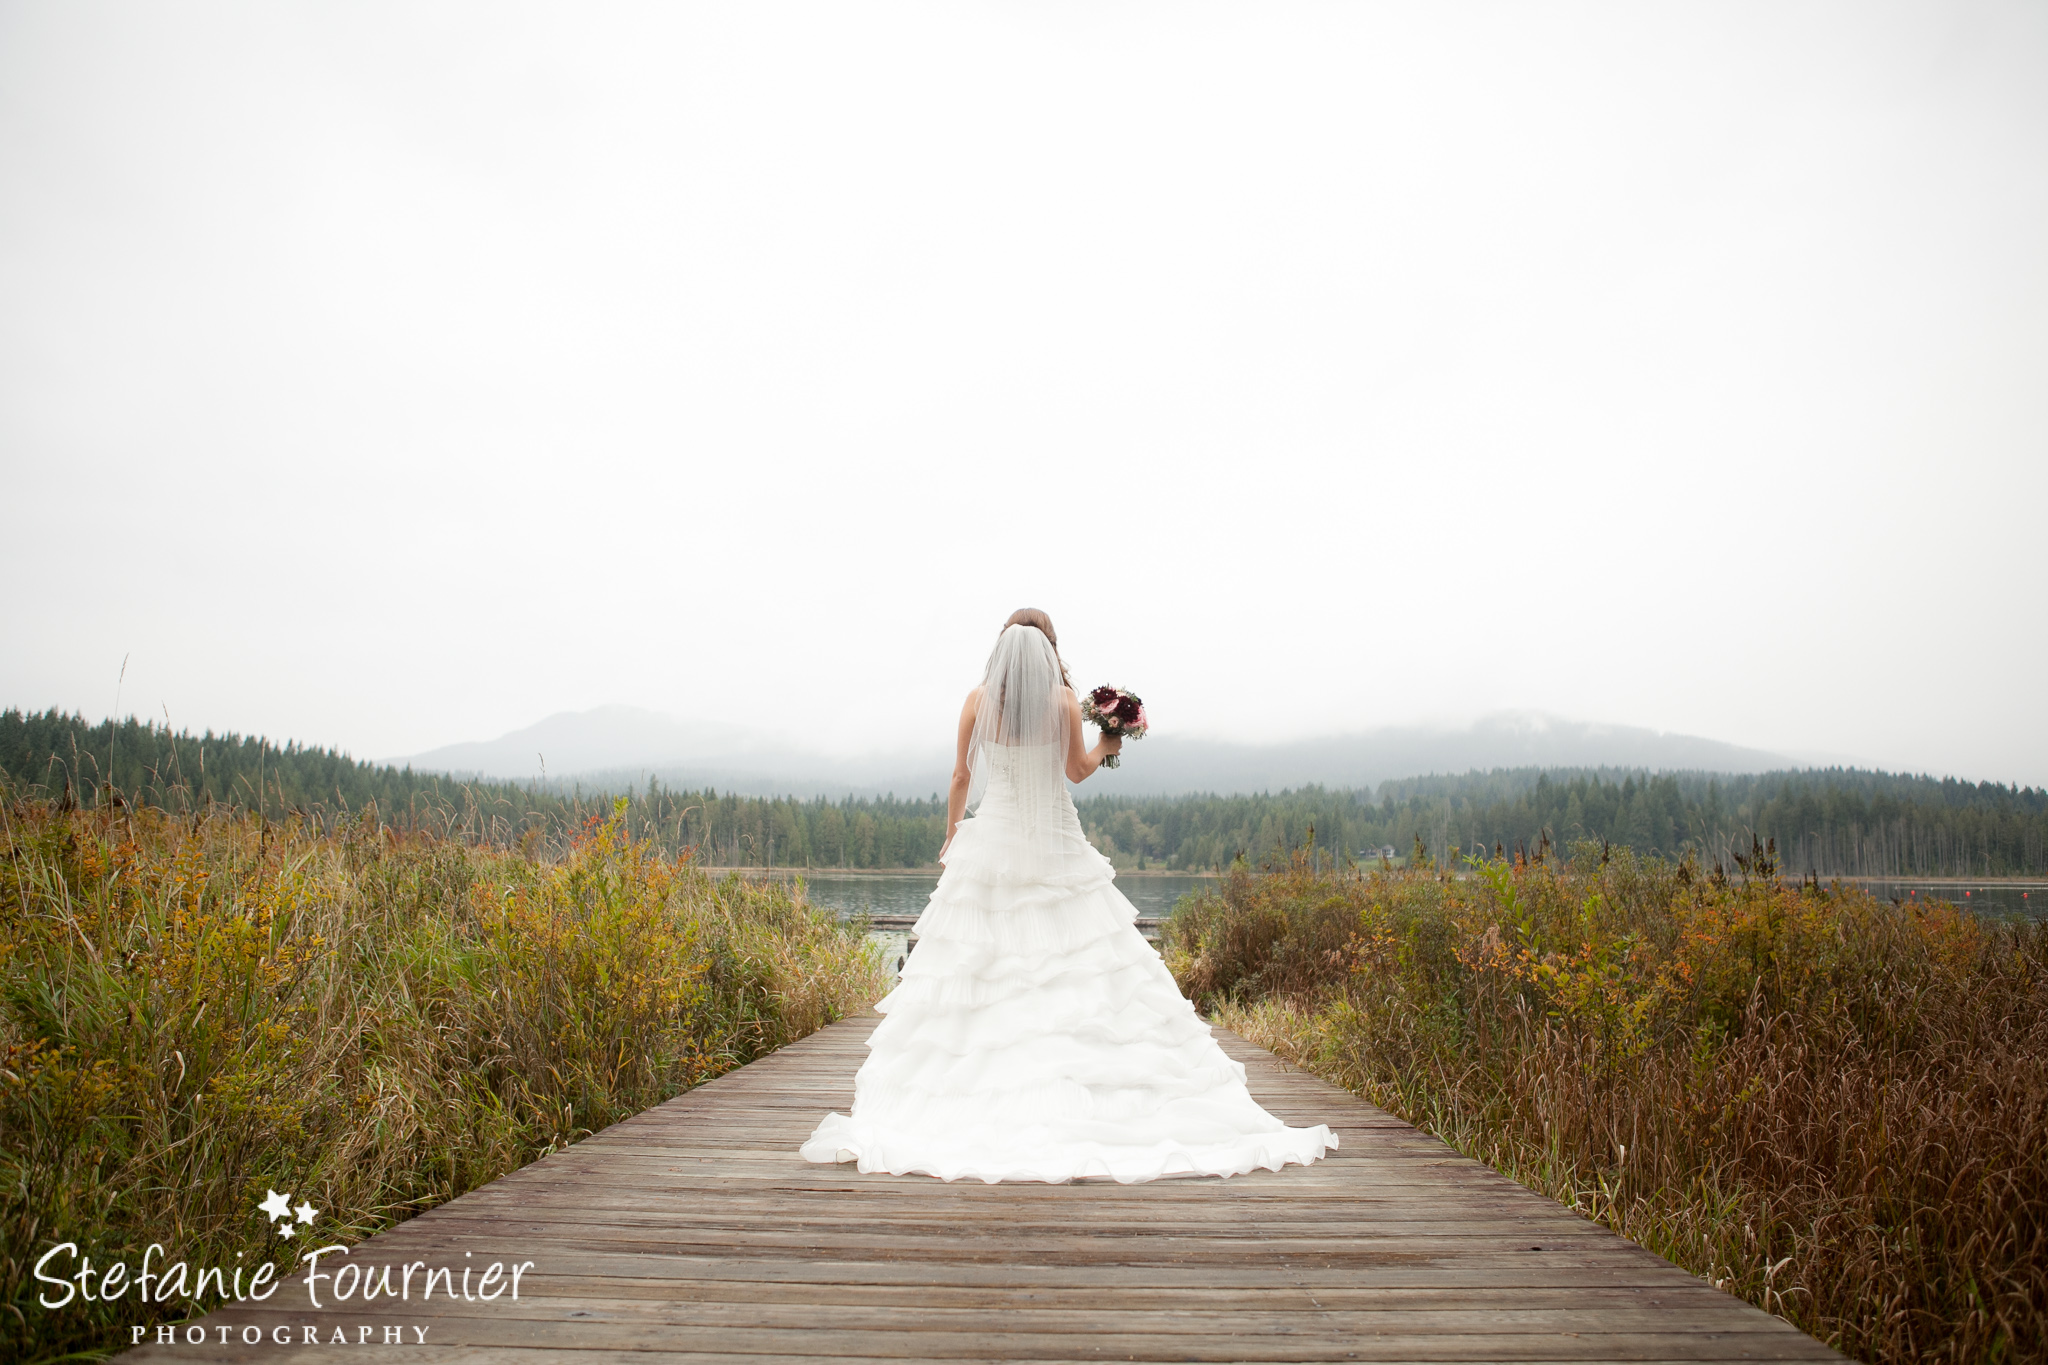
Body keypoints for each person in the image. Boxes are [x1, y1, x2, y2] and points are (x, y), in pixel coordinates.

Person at [800, 608, 1335, 1183]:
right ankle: (1079, 1084)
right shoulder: (1061, 701)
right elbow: (1076, 771)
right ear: (1050, 651)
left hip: (995, 843)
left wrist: (953, 833)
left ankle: (985, 1089)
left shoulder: (977, 701)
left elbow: (960, 777)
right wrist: (1109, 741)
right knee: (1082, 963)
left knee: (982, 968)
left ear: (1001, 650)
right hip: (1055, 844)